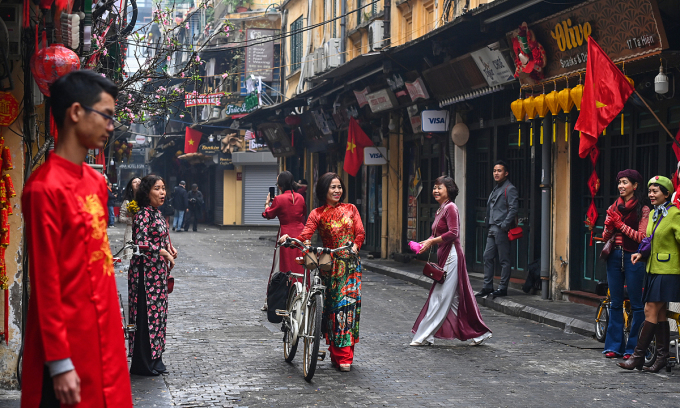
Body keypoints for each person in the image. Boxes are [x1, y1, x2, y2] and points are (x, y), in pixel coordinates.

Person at [21, 70, 132, 407]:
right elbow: (46, 282)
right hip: (68, 345)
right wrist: (59, 361)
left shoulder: (95, 184)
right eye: (107, 115)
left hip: (105, 332)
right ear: (75, 113)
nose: (111, 126)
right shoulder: (43, 189)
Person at [278, 172, 364, 372]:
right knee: (331, 310)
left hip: (350, 267)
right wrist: (290, 238)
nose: (337, 191)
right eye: (332, 187)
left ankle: (345, 356)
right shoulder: (317, 213)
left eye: (339, 187)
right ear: (324, 190)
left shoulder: (351, 209)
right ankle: (336, 353)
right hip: (329, 266)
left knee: (347, 309)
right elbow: (306, 233)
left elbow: (359, 232)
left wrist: (355, 246)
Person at [411, 176, 492, 347]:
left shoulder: (451, 208)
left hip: (452, 256)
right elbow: (436, 235)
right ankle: (479, 333)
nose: (435, 191)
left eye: (440, 188)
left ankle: (424, 335)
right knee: (455, 298)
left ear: (449, 190)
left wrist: (432, 241)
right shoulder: (441, 209)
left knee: (440, 296)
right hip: (444, 255)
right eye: (434, 187)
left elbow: (453, 233)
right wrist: (426, 243)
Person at [624, 176, 680, 372]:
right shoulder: (656, 214)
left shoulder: (674, 214)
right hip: (652, 268)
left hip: (668, 270)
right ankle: (663, 357)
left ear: (667, 194)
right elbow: (651, 239)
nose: (651, 195)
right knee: (661, 313)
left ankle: (637, 357)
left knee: (649, 309)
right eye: (649, 191)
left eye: (655, 191)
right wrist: (641, 254)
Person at [128, 174, 178, 376]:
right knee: (146, 316)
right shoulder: (142, 215)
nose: (162, 192)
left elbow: (161, 239)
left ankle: (156, 358)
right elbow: (140, 243)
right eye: (157, 188)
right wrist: (162, 252)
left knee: (158, 317)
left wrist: (171, 249)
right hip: (144, 274)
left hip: (158, 273)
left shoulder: (157, 214)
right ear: (147, 192)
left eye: (164, 188)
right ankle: (143, 362)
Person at [600, 169, 648, 360]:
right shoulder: (613, 207)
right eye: (619, 182)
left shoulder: (643, 209)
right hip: (614, 256)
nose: (621, 186)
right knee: (615, 302)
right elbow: (605, 236)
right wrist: (611, 226)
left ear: (635, 186)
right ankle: (613, 346)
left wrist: (619, 225)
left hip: (634, 257)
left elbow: (641, 237)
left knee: (637, 304)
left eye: (625, 182)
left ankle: (634, 348)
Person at [261, 171, 306, 311]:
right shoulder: (300, 197)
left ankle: (275, 300)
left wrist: (267, 203)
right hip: (301, 233)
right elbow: (303, 213)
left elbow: (267, 214)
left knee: (281, 267)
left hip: (285, 234)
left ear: (280, 185)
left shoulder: (279, 199)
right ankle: (302, 295)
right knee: (301, 264)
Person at [476, 160, 518, 299]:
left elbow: (513, 208)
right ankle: (487, 286)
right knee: (487, 257)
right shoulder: (496, 188)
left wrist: (505, 225)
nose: (496, 173)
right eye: (494, 171)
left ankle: (502, 288)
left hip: (501, 228)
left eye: (499, 171)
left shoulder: (509, 188)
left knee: (504, 260)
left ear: (506, 173)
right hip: (492, 228)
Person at [119, 177, 142, 262]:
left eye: (139, 182)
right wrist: (132, 220)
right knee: (130, 257)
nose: (137, 183)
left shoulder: (146, 200)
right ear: (131, 186)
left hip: (143, 232)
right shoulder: (127, 202)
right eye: (134, 182)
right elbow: (121, 218)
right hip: (130, 231)